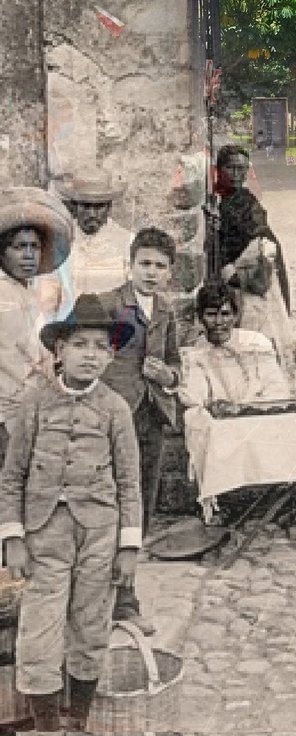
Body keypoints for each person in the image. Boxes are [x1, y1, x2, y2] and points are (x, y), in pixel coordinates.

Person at [0, 294, 141, 734]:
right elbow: (12, 476)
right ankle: (45, 724)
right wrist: (14, 538)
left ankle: (77, 718)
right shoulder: (35, 404)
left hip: (100, 535)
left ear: (110, 355)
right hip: (45, 535)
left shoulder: (116, 409)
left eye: (100, 348)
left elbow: (130, 483)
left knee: (91, 623)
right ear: (59, 351)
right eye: (81, 345)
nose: (90, 356)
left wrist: (129, 548)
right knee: (40, 626)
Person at [97, 228, 182, 635]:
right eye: (144, 264)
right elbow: (92, 358)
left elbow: (175, 365)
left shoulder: (166, 311)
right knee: (110, 503)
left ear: (170, 273)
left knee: (142, 506)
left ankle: (126, 599)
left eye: (160, 266)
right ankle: (101, 599)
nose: (151, 273)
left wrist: (166, 375)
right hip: (116, 419)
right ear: (129, 265)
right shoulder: (111, 306)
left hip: (152, 419)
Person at [0, 188, 73, 463]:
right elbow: (10, 356)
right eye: (19, 248)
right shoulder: (3, 294)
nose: (29, 255)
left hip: (27, 404)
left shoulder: (29, 293)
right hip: (7, 407)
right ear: (2, 252)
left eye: (35, 247)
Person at [213, 144, 291, 363]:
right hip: (229, 277)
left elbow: (263, 241)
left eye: (242, 169)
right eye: (231, 168)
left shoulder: (247, 201)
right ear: (219, 169)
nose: (237, 174)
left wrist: (241, 274)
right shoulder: (218, 200)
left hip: (252, 279)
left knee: (256, 334)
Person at [179, 282, 292, 412]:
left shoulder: (255, 343)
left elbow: (278, 391)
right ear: (200, 317)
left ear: (235, 316)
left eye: (225, 314)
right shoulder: (196, 352)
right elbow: (195, 399)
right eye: (211, 314)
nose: (219, 322)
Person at [55, 172, 133, 309]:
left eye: (98, 207)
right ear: (74, 206)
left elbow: (132, 296)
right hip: (66, 324)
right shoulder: (60, 239)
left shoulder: (127, 242)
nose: (92, 214)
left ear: (109, 207)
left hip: (112, 323)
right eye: (85, 206)